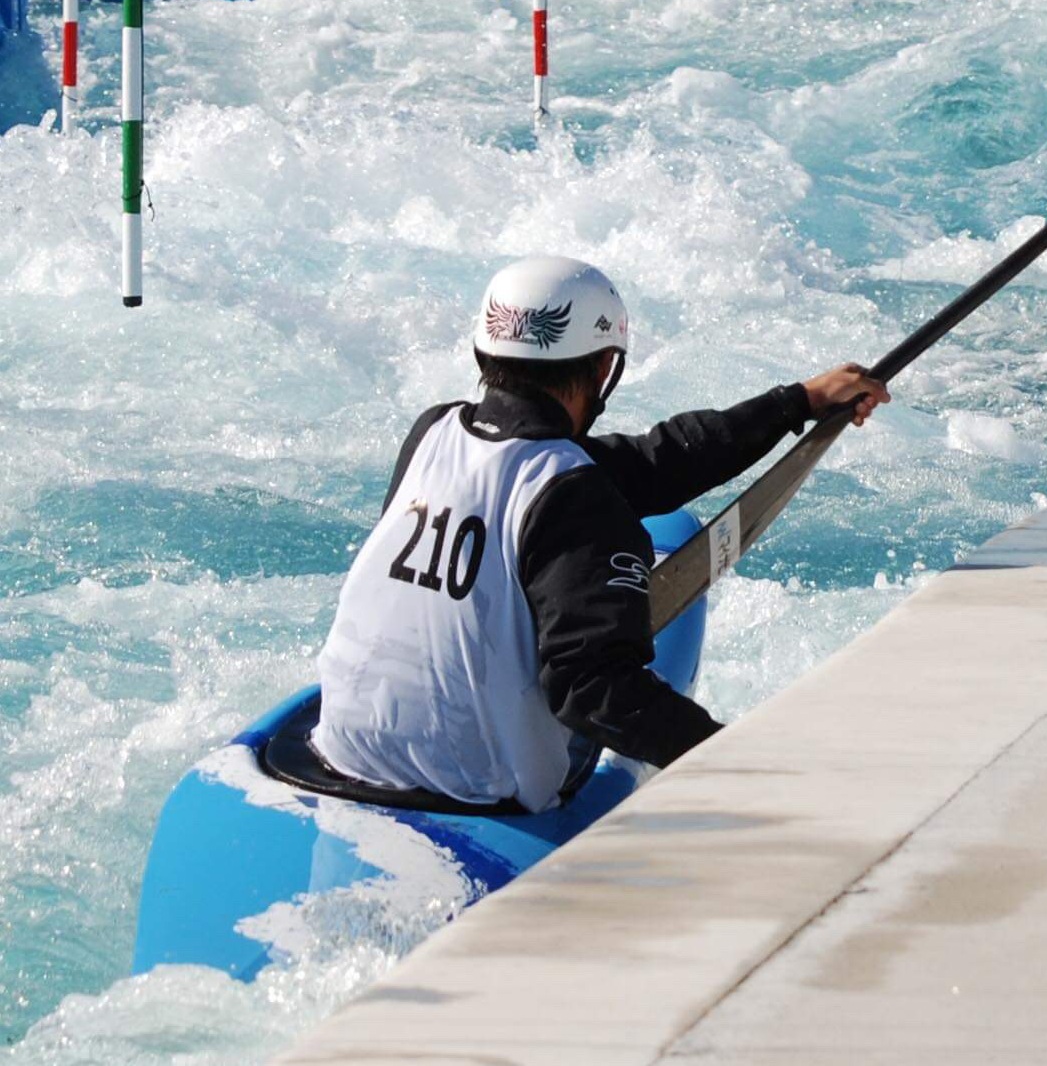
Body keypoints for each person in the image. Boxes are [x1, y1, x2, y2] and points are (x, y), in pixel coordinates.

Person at [312, 255, 887, 812]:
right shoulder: (575, 492)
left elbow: (653, 463)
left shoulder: (432, 431)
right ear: (602, 368)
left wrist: (799, 403)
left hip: (340, 749)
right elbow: (591, 689)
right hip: (480, 791)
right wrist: (739, 759)